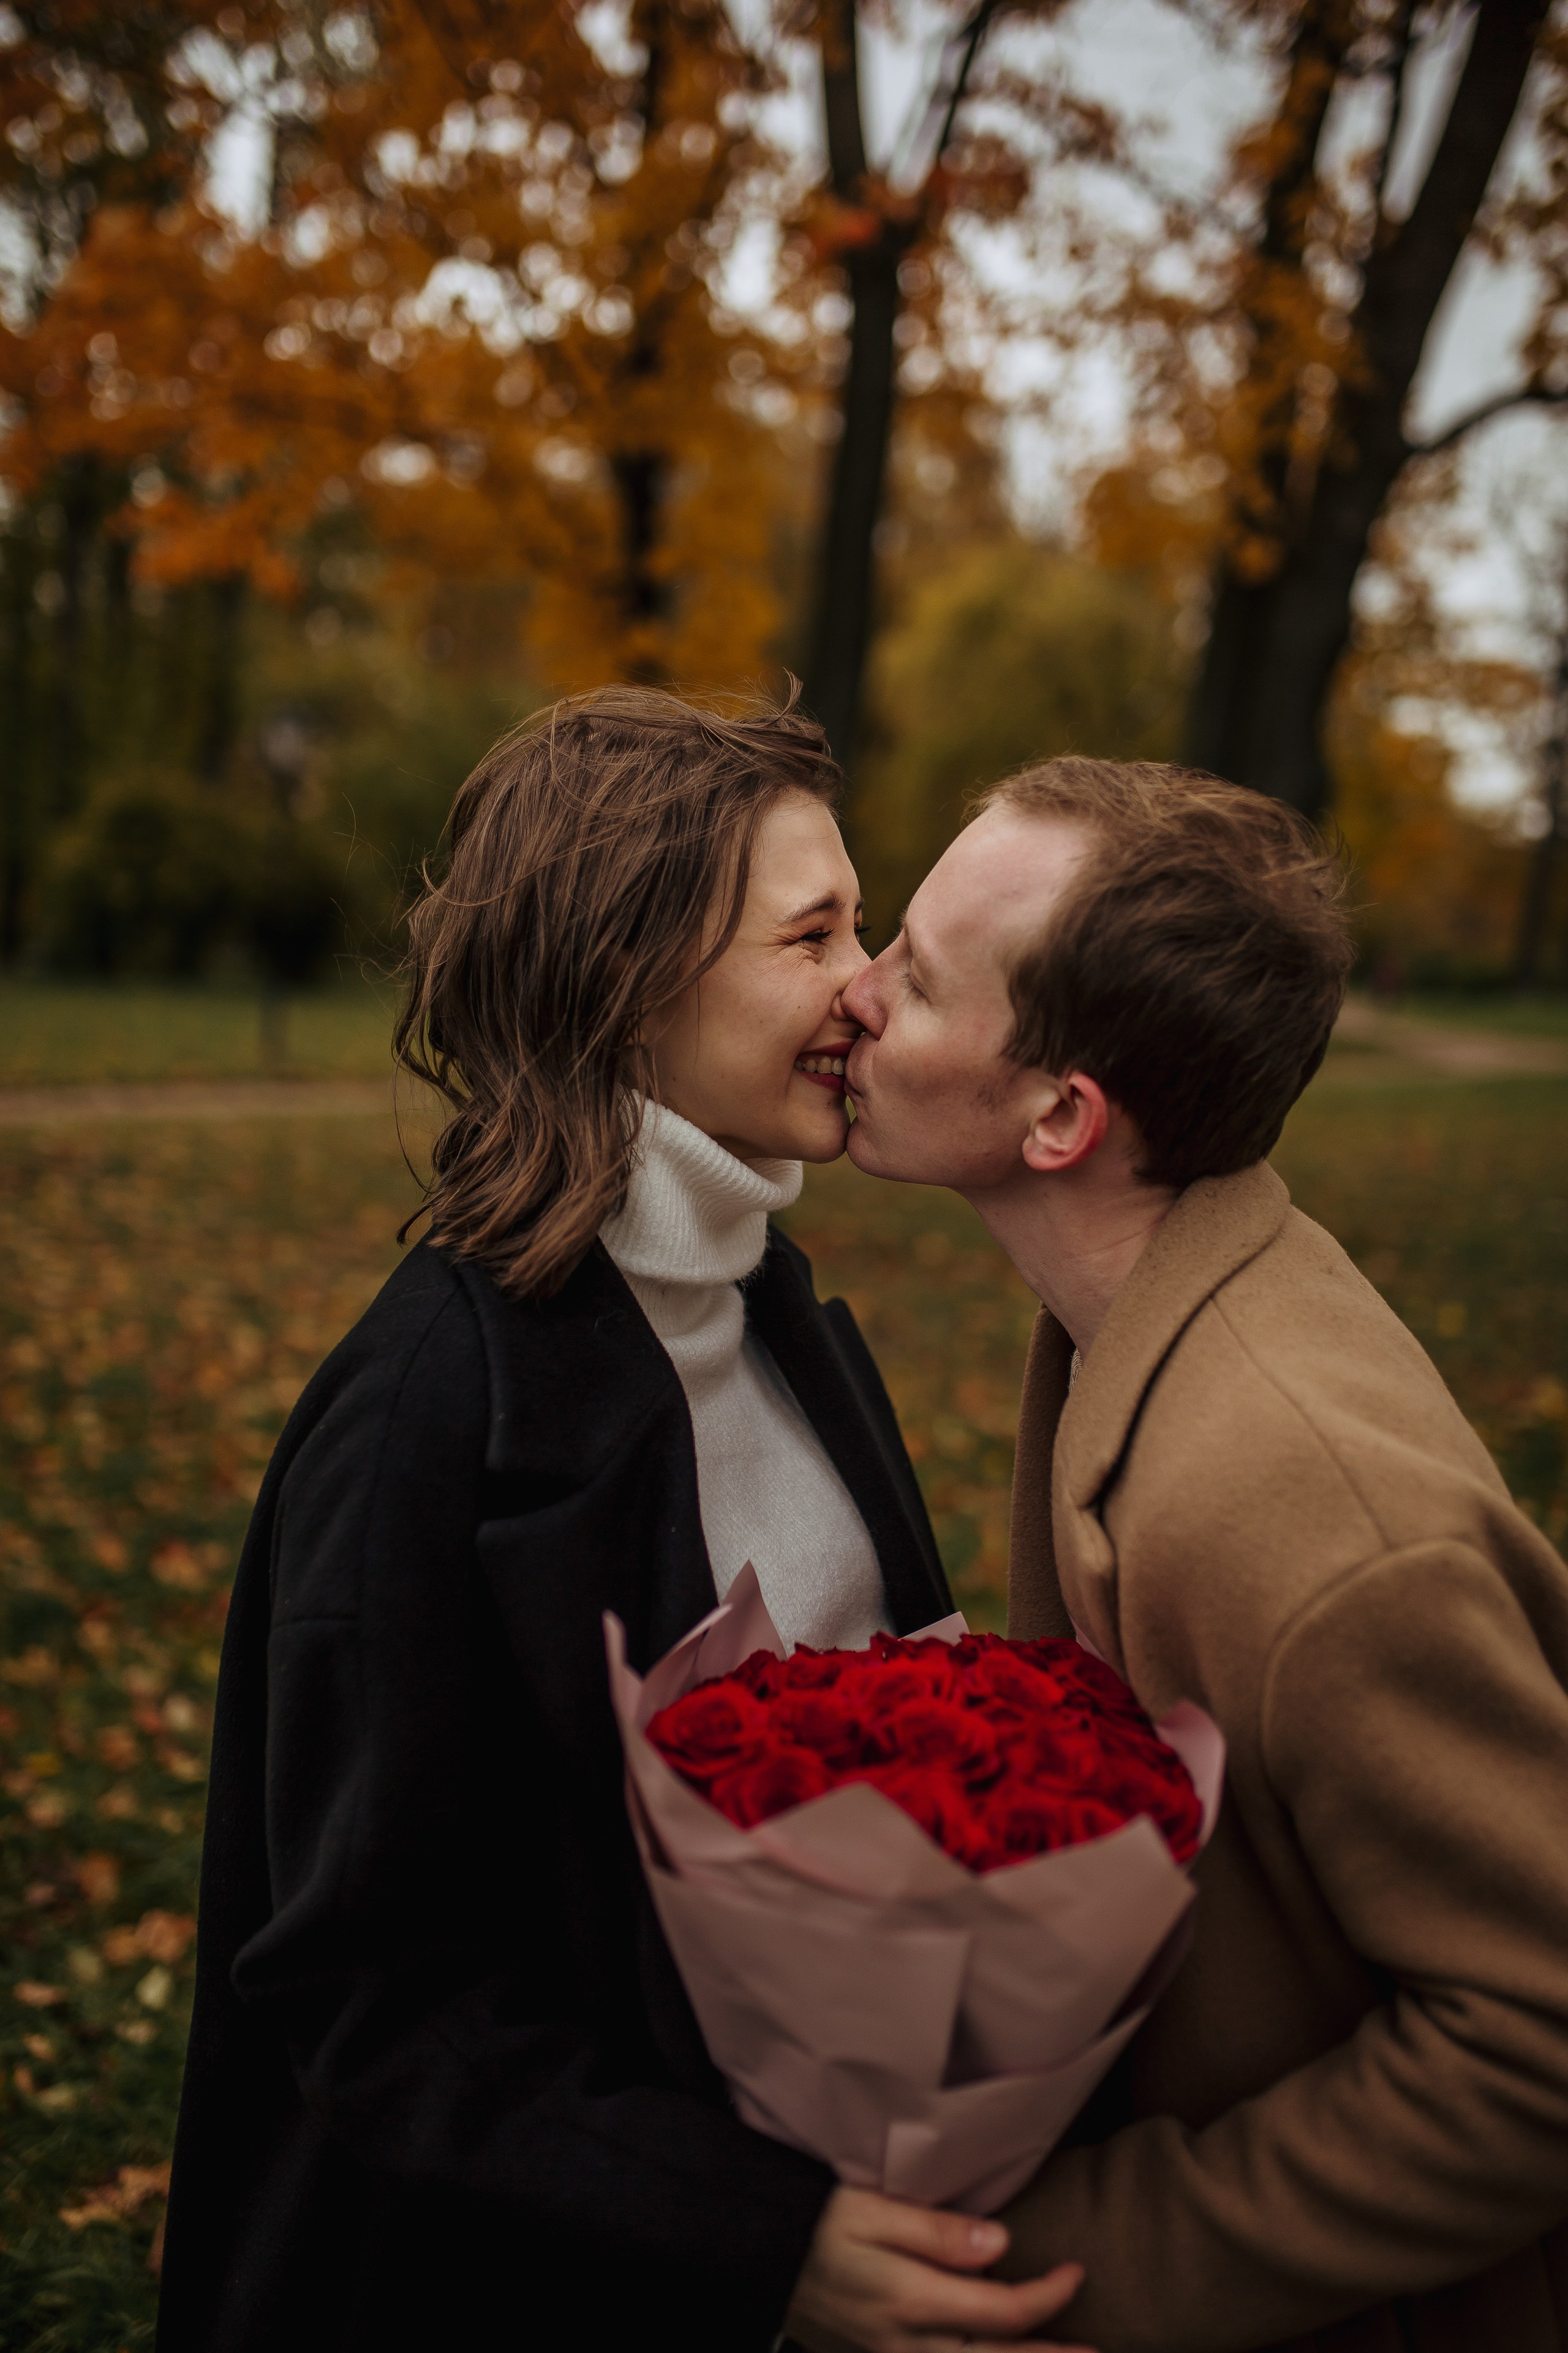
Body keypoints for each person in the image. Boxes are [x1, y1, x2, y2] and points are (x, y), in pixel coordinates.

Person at [157, 688, 1090, 2353]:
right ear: (629, 976)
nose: (870, 986)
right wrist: (760, 2241)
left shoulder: (780, 1306)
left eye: (861, 924)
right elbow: (370, 2004)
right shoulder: (426, 1417)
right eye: (815, 933)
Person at [810, 754, 1568, 2353]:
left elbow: (1541, 2038)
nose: (856, 995)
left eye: (920, 978)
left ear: (1063, 1115)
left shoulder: (1313, 1524)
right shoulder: (1125, 1313)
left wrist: (1085, 2252)